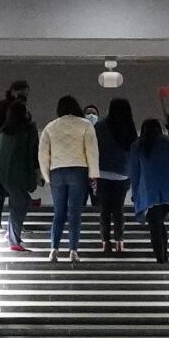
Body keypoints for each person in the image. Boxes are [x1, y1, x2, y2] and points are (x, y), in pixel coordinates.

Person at [39, 95, 98, 264]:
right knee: (74, 213)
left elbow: (43, 154)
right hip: (78, 171)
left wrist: (47, 176)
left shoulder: (50, 127)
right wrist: (93, 174)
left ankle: (54, 249)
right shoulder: (85, 125)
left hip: (57, 172)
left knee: (59, 213)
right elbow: (92, 151)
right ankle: (73, 251)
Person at [0, 83, 41, 254]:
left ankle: (11, 233)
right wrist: (37, 172)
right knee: (20, 203)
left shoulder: (4, 133)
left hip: (4, 174)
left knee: (21, 201)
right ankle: (14, 240)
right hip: (19, 174)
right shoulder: (28, 130)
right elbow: (33, 152)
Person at [129, 111, 169, 264]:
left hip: (148, 192)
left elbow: (134, 172)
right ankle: (164, 257)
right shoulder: (168, 142)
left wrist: (135, 193)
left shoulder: (137, 146)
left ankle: (161, 258)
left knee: (155, 225)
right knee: (159, 222)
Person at [92, 95, 136, 254]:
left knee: (104, 209)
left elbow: (94, 149)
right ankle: (119, 242)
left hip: (102, 172)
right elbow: (134, 152)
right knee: (118, 209)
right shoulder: (129, 127)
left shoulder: (100, 126)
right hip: (123, 174)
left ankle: (105, 242)